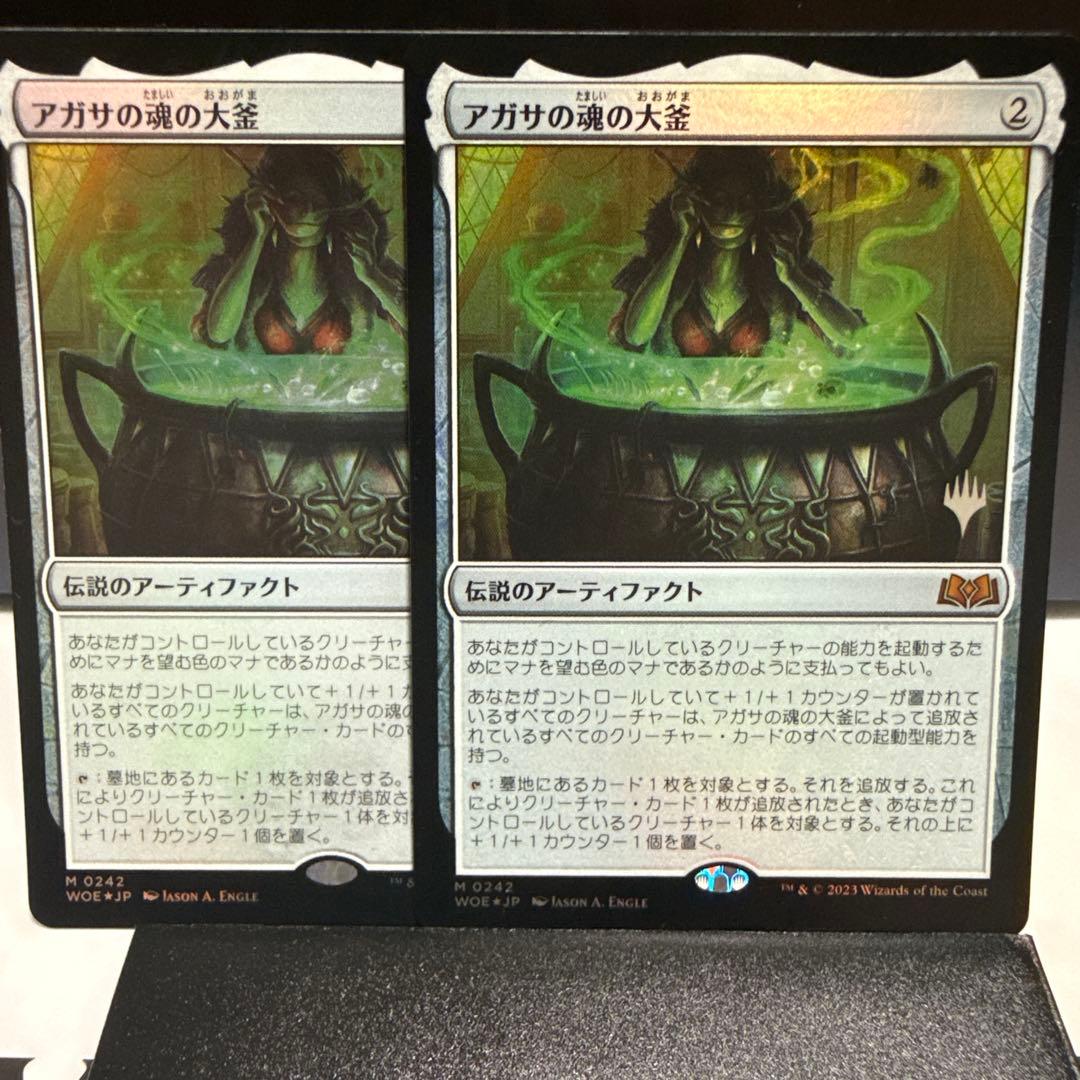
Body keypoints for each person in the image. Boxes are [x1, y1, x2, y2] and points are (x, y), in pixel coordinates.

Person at [610, 146, 863, 358]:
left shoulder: (781, 272)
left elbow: (854, 339)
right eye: (719, 200)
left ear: (758, 210)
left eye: (744, 202)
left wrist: (793, 277)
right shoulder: (666, 269)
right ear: (699, 203)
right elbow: (636, 335)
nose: (731, 212)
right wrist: (680, 239)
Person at [192, 146, 405, 354]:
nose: (308, 210)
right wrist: (256, 238)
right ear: (273, 201)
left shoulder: (358, 259)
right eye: (295, 199)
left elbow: (416, 322)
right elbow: (219, 332)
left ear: (331, 206)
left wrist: (372, 276)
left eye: (317, 201)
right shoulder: (247, 263)